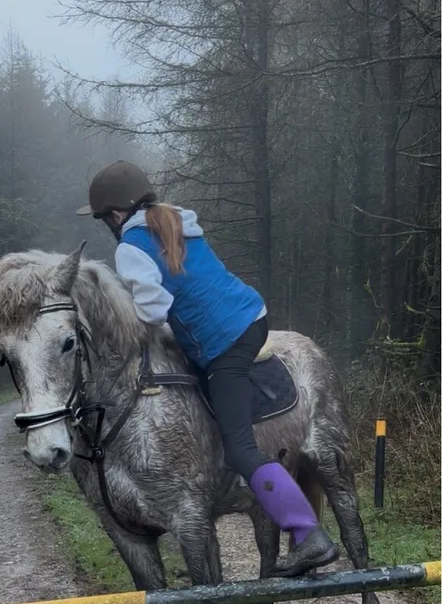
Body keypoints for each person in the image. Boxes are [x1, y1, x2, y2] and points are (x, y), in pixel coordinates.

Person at [77, 160, 339, 577]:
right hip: (251, 316)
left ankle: (308, 535)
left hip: (226, 345)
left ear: (114, 214)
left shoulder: (130, 248)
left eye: (103, 218)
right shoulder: (175, 220)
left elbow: (154, 309)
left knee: (239, 448)